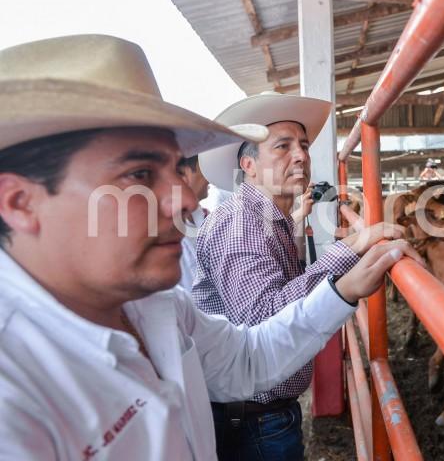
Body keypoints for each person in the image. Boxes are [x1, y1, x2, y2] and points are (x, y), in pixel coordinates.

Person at [0, 34, 422, 460]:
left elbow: (247, 357)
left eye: (173, 170)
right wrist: (342, 262)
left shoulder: (158, 306)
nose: (186, 199)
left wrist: (344, 289)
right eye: (140, 173)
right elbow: (258, 320)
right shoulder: (12, 393)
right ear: (22, 203)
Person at [195, 92, 404, 460]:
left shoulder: (268, 219)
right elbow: (263, 322)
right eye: (282, 147)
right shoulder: (241, 222)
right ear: (250, 165)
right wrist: (350, 250)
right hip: (253, 423)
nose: (301, 156)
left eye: (303, 146)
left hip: (259, 418)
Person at [177, 155, 210, 292]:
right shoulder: (170, 233)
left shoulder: (208, 219)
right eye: (204, 168)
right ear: (185, 173)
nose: (209, 177)